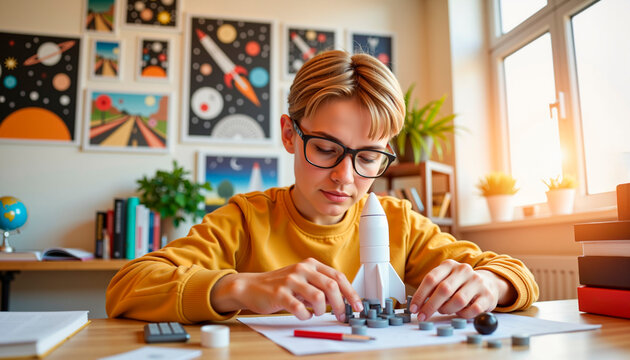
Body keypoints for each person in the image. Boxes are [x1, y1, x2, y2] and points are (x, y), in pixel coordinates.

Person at [106, 50, 539, 324]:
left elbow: (516, 274)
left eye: (369, 157)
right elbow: (128, 286)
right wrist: (241, 287)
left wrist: (489, 284)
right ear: (291, 135)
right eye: (328, 148)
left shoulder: (397, 222)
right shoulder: (244, 219)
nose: (346, 177)